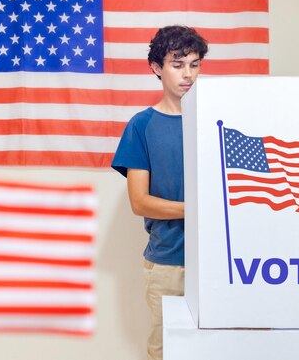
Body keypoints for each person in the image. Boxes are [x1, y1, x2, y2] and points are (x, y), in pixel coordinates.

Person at [111, 25, 208, 360]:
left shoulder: (216, 121)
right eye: (178, 64)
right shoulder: (142, 125)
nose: (188, 74)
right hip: (169, 262)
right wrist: (198, 208)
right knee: (168, 351)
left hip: (221, 261)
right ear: (156, 67)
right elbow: (140, 202)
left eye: (194, 64)